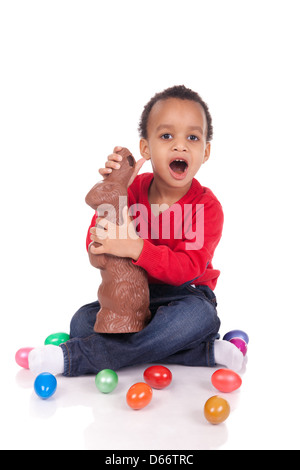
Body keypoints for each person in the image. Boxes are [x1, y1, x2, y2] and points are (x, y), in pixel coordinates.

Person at [29, 85, 245, 376]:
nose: (180, 146)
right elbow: (96, 248)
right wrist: (115, 190)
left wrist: (135, 248)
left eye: (192, 137)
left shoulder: (206, 207)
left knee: (200, 317)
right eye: (166, 136)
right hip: (133, 298)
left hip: (186, 295)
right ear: (146, 148)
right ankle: (199, 351)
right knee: (81, 322)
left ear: (205, 152)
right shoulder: (132, 191)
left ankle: (78, 357)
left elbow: (186, 268)